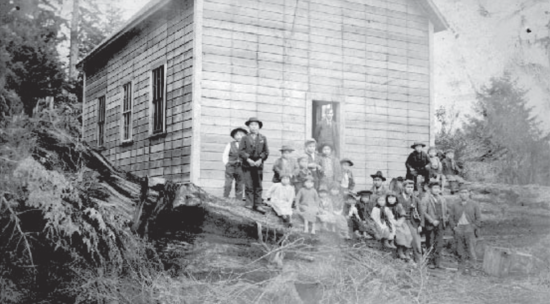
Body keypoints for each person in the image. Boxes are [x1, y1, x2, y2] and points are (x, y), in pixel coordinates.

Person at [448, 184, 481, 275]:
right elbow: (450, 218)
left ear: (469, 194)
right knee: (460, 250)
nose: (464, 194)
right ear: (459, 194)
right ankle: (461, 268)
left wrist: (472, 227)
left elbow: (478, 219)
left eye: (465, 192)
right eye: (462, 192)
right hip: (459, 229)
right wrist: (454, 227)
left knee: (471, 250)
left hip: (469, 229)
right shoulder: (455, 205)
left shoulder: (474, 204)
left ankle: (473, 269)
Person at [239, 117, 269, 214]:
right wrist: (248, 159)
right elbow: (241, 151)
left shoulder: (263, 138)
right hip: (247, 165)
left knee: (258, 184)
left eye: (256, 125)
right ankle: (249, 203)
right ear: (248, 127)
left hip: (258, 165)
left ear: (259, 127)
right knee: (249, 184)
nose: (254, 127)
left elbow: (266, 152)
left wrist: (260, 159)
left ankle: (258, 204)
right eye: (251, 125)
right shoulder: (244, 138)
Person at [420, 181, 448, 269]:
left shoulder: (442, 199)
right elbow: (423, 212)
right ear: (430, 189)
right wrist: (432, 221)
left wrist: (445, 218)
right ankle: (430, 262)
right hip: (430, 225)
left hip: (440, 224)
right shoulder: (426, 199)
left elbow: (446, 211)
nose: (437, 190)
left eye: (438, 188)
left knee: (439, 243)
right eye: (434, 188)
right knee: (430, 243)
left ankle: (438, 262)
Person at [397, 180, 423, 264]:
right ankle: (404, 260)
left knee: (416, 241)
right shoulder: (398, 198)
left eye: (412, 187)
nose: (410, 189)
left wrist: (420, 225)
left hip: (412, 222)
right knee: (402, 239)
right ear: (404, 187)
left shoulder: (415, 199)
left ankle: (419, 262)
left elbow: (421, 213)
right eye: (408, 187)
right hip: (401, 222)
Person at [387, 192, 413, 260]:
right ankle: (400, 251)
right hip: (390, 222)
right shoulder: (386, 207)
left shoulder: (398, 205)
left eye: (393, 198)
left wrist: (400, 222)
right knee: (400, 233)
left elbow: (403, 215)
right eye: (389, 198)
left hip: (399, 222)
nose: (391, 199)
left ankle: (407, 251)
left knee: (407, 233)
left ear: (396, 199)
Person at [222, 127, 247, 200]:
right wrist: (226, 164)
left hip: (241, 167)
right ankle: (225, 197)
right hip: (231, 167)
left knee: (240, 183)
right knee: (228, 183)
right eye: (237, 135)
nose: (239, 137)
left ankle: (238, 200)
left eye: (241, 135)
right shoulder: (230, 144)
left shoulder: (246, 146)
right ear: (234, 136)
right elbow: (225, 155)